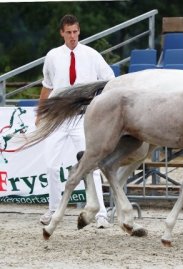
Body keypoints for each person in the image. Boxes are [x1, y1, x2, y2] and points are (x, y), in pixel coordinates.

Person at [37, 14, 115, 228]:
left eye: (75, 32)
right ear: (62, 33)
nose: (73, 36)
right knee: (51, 165)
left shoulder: (91, 55)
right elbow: (47, 85)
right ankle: (53, 209)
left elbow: (110, 80)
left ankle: (100, 213)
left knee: (92, 165)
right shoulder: (52, 56)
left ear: (79, 31)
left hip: (84, 118)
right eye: (68, 32)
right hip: (58, 117)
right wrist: (39, 113)